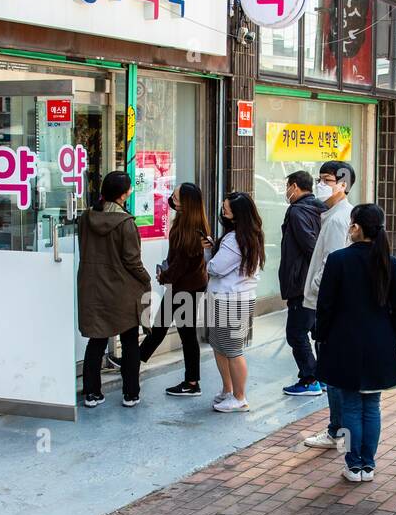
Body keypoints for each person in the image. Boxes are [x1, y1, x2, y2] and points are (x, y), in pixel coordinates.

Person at [314, 204, 396, 481]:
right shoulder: (390, 262)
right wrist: (394, 336)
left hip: (344, 344)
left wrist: (321, 335)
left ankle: (353, 464)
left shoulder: (339, 260)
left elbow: (325, 306)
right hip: (379, 344)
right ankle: (368, 464)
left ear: (356, 227)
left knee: (351, 407)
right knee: (372, 406)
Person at [78, 170, 151, 408]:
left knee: (96, 340)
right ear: (123, 194)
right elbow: (132, 261)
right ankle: (130, 393)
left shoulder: (86, 218)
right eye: (129, 188)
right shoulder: (125, 223)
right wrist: (146, 278)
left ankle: (91, 393)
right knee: (129, 340)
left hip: (93, 287)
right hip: (121, 289)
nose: (131, 191)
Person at [301, 160, 357, 448]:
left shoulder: (337, 220)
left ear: (343, 185)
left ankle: (337, 431)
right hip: (335, 306)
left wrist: (313, 290)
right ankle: (337, 429)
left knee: (331, 372)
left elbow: (329, 267)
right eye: (320, 179)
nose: (321, 185)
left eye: (327, 180)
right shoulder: (337, 215)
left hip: (331, 307)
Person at [140, 182, 209, 396]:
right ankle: (132, 361)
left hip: (186, 288)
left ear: (186, 203)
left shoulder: (191, 230)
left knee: (184, 333)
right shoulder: (188, 223)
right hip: (185, 286)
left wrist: (164, 276)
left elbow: (181, 264)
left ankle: (192, 382)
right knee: (161, 327)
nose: (171, 199)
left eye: (176, 197)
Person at [206, 191, 265, 412]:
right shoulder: (248, 235)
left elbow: (216, 268)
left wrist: (207, 255)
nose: (223, 211)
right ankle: (228, 391)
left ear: (238, 214)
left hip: (231, 301)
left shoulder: (235, 239)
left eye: (226, 209)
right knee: (220, 347)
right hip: (230, 298)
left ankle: (239, 397)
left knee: (232, 350)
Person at [279, 170, 328, 397]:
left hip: (303, 283)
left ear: (295, 186)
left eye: (288, 185)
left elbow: (312, 246)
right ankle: (324, 376)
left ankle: (310, 379)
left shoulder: (297, 212)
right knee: (317, 331)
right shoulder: (321, 208)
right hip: (317, 282)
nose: (287, 191)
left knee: (296, 333)